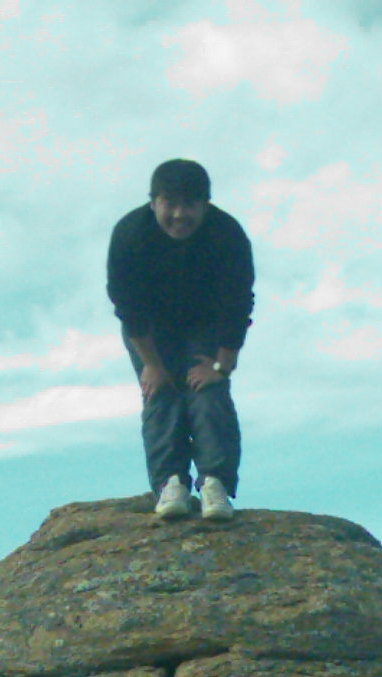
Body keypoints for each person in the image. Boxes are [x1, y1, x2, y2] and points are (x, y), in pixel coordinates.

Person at [106, 158, 254, 523]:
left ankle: (215, 483)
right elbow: (128, 307)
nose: (178, 215)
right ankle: (169, 484)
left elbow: (238, 303)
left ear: (205, 205)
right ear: (153, 202)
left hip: (207, 324)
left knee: (208, 391)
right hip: (152, 328)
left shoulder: (227, 234)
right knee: (161, 392)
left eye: (189, 204)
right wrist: (152, 365)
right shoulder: (130, 234)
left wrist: (222, 366)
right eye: (169, 204)